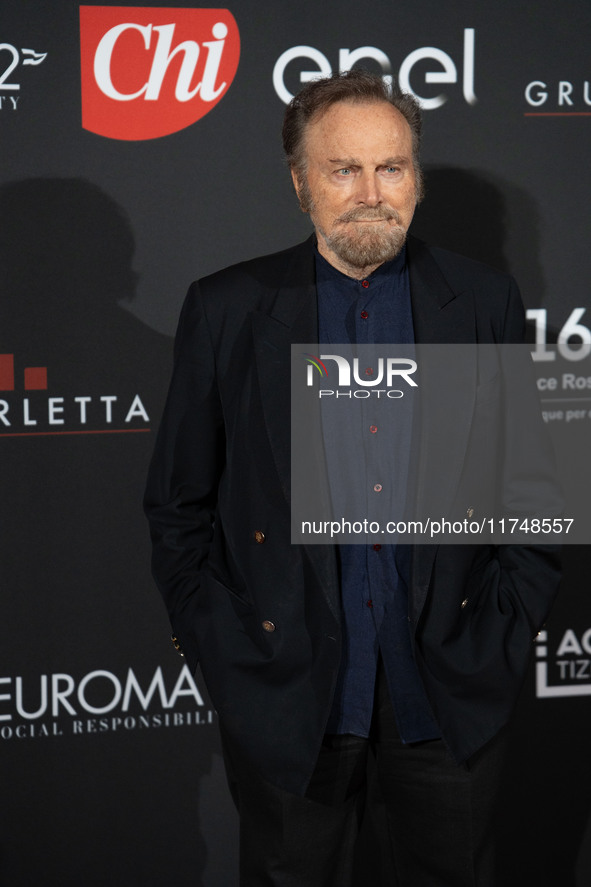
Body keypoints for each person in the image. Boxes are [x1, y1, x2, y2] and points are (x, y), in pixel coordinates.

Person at [144, 70, 561, 886]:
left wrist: (495, 641)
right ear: (300, 183)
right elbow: (178, 504)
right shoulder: (227, 307)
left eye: (392, 168)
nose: (371, 193)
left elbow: (536, 493)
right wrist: (233, 656)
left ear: (415, 178)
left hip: (446, 697)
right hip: (289, 700)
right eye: (343, 169)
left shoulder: (482, 301)